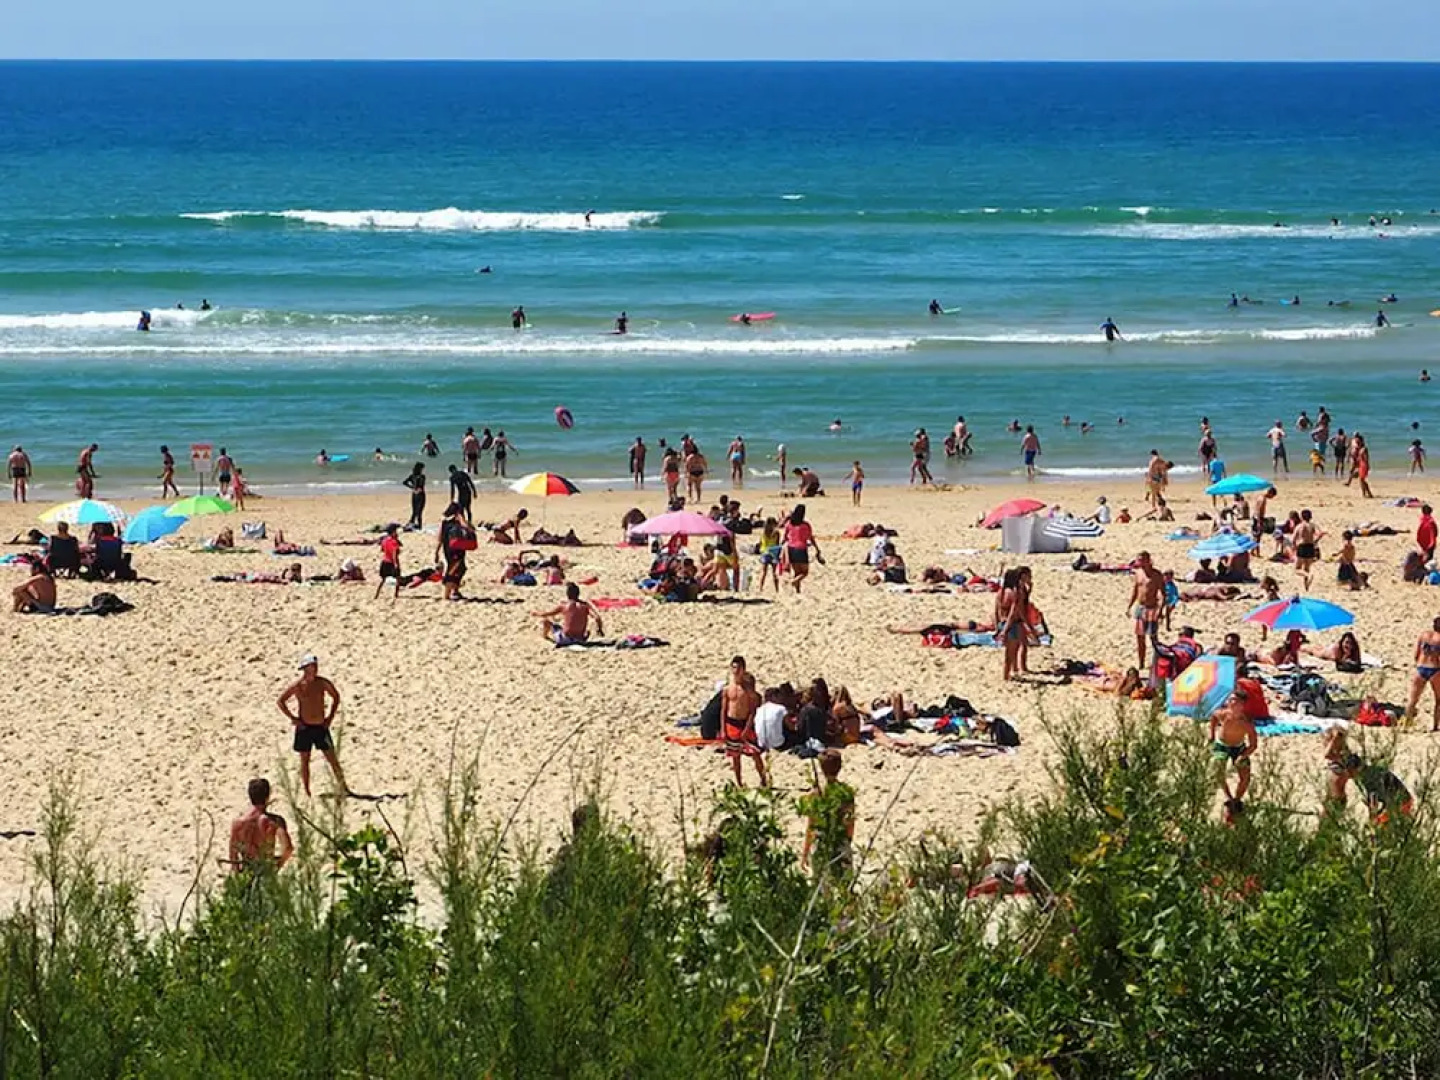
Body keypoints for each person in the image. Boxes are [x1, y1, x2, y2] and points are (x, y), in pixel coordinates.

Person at [277, 656, 347, 797]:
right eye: (311, 667)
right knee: (305, 760)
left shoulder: (322, 683)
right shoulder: (298, 686)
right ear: (305, 669)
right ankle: (307, 791)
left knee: (332, 758)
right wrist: (293, 718)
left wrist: (330, 717)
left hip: (320, 726)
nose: (314, 669)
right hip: (304, 728)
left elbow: (336, 696)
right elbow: (281, 701)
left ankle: (344, 788)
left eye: (315, 666)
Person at [800, 750, 855, 877]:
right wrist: (847, 842)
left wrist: (805, 853)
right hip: (840, 841)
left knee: (822, 887)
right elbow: (850, 823)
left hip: (821, 842)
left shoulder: (816, 794)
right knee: (844, 885)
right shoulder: (846, 792)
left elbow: (811, 826)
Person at [228, 778, 294, 873]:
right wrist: (278, 865)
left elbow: (233, 855)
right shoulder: (274, 821)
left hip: (246, 871)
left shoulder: (237, 823)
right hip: (266, 870)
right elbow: (288, 848)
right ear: (267, 797)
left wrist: (238, 874)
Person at [722, 657, 768, 787]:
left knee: (755, 753)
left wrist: (747, 728)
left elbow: (753, 710)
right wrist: (723, 728)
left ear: (743, 669)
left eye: (738, 668)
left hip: (745, 723)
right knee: (735, 757)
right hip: (731, 724)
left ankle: (763, 779)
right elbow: (724, 710)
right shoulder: (727, 689)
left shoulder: (748, 691)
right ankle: (739, 783)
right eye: (733, 667)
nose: (735, 671)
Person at [1210, 688, 1258, 803]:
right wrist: (1211, 734)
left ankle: (1237, 799)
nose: (1230, 702)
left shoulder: (1246, 723)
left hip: (1238, 747)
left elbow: (1253, 744)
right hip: (1222, 745)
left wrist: (1243, 756)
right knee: (1218, 771)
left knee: (1245, 776)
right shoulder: (1223, 714)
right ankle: (1228, 797)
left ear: (1241, 704)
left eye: (1234, 700)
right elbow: (1214, 717)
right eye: (1230, 700)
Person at [1125, 551, 1164, 669]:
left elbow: (1162, 594)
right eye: (1138, 560)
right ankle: (1141, 663)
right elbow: (1135, 591)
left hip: (1152, 608)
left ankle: (1157, 661)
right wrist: (1129, 606)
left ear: (1148, 560)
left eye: (1141, 560)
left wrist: (1160, 610)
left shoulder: (1157, 575)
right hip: (1140, 607)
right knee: (1140, 637)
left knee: (1153, 637)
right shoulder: (1138, 573)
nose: (1139, 563)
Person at [533, 582, 604, 645]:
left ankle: (545, 637)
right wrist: (599, 629)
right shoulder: (585, 605)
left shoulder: (564, 605)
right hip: (580, 639)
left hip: (565, 639)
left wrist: (536, 613)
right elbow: (597, 618)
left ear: (567, 594)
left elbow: (547, 614)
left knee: (545, 621)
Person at [1406, 617, 1440, 729]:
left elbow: (1416, 654)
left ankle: (1406, 725)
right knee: (1438, 699)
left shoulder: (1424, 635)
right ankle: (1435, 726)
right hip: (1435, 669)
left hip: (1421, 667)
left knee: (1413, 700)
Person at [436, 503, 473, 600]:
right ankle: (447, 594)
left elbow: (439, 538)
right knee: (453, 571)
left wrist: (437, 551)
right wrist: (461, 519)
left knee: (461, 569)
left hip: (454, 549)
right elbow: (468, 529)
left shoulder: (445, 523)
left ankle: (455, 591)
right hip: (454, 550)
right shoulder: (456, 522)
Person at [783, 504, 822, 593]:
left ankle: (798, 591)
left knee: (797, 572)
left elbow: (785, 537)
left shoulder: (789, 524)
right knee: (804, 572)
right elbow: (810, 538)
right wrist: (817, 548)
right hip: (801, 549)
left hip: (791, 549)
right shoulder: (805, 525)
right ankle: (794, 582)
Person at [1293, 508, 1319, 591]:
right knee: (1306, 568)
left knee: (1297, 569)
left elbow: (1293, 538)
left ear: (1301, 517)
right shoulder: (1312, 526)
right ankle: (1306, 587)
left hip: (1302, 546)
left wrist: (1294, 547)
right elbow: (1319, 534)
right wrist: (1315, 542)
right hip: (1310, 547)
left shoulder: (1300, 526)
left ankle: (1308, 576)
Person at [376, 523, 402, 600]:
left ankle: (377, 594)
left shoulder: (385, 540)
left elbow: (382, 550)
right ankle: (396, 595)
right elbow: (394, 554)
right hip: (392, 562)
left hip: (384, 561)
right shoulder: (394, 542)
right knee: (398, 578)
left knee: (382, 579)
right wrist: (396, 564)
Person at [756, 517, 783, 593]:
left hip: (764, 552)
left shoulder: (763, 533)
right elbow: (777, 544)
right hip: (773, 552)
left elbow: (760, 543)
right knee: (774, 572)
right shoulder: (776, 533)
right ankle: (776, 589)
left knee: (764, 572)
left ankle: (760, 588)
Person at [402, 463, 426, 530]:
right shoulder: (422, 476)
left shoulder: (412, 476)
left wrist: (412, 488)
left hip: (414, 494)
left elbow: (404, 482)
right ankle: (419, 526)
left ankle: (412, 523)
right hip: (421, 495)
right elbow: (421, 485)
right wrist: (416, 488)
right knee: (419, 511)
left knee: (415, 511)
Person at [1349, 432, 1373, 498]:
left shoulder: (1364, 449)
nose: (1357, 443)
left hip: (1364, 466)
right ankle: (1365, 493)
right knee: (1361, 480)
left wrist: (1367, 466)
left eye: (1358, 442)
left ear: (1361, 441)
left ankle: (1368, 493)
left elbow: (1366, 459)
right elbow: (1359, 458)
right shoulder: (1359, 449)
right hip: (1361, 465)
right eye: (1357, 442)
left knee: (1362, 480)